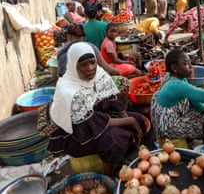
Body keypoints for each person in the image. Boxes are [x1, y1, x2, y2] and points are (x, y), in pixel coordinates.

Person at [48, 42, 146, 176]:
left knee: (139, 119)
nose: (90, 68)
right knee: (111, 139)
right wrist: (128, 121)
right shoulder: (69, 91)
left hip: (100, 119)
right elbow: (92, 122)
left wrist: (127, 118)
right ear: (73, 66)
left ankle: (121, 159)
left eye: (92, 62)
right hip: (78, 134)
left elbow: (113, 101)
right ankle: (108, 176)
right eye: (83, 64)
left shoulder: (99, 75)